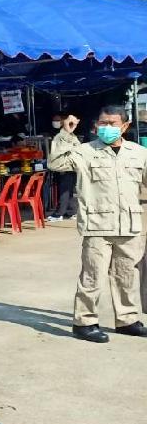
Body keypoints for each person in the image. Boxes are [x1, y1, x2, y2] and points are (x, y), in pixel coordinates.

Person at [47, 105, 147, 343]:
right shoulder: (85, 151)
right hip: (97, 225)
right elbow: (56, 163)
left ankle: (127, 319)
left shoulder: (139, 153)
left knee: (127, 275)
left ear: (125, 126)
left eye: (112, 123)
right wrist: (65, 133)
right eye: (103, 123)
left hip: (129, 224)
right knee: (93, 275)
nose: (107, 128)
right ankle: (84, 322)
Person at [47, 112, 80, 221]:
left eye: (58, 120)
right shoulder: (67, 135)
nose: (55, 122)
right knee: (67, 191)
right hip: (68, 167)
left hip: (65, 167)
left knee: (64, 190)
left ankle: (59, 214)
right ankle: (71, 211)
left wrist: (68, 128)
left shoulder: (64, 136)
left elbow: (60, 150)